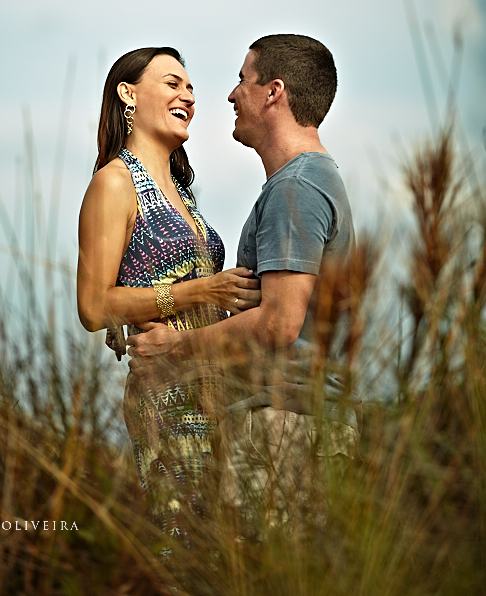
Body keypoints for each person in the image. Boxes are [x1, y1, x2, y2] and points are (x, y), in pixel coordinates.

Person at [127, 34, 360, 534]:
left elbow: (278, 323)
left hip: (284, 426)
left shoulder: (297, 187)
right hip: (296, 422)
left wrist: (175, 346)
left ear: (273, 92)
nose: (231, 95)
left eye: (242, 80)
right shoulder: (305, 181)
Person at [77, 46, 261, 534]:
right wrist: (201, 292)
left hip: (222, 391)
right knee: (184, 550)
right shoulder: (115, 184)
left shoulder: (182, 191)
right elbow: (94, 306)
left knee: (229, 556)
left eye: (191, 88)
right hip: (168, 395)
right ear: (128, 94)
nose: (188, 96)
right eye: (172, 83)